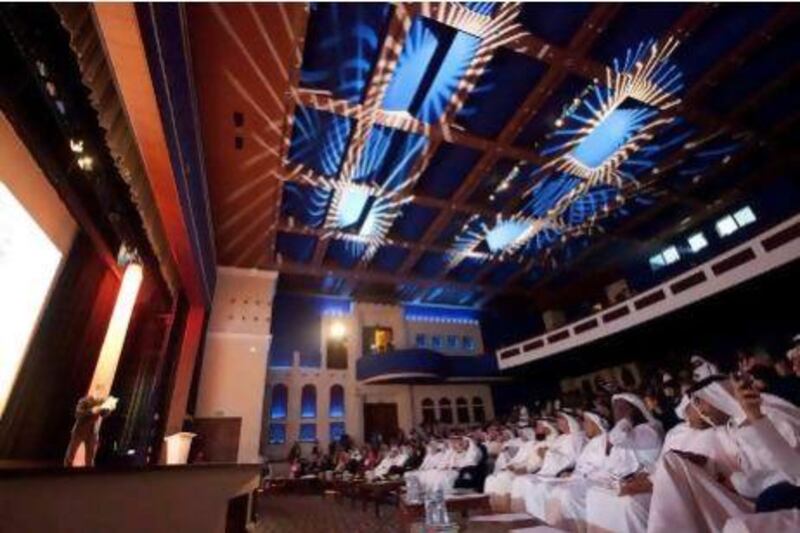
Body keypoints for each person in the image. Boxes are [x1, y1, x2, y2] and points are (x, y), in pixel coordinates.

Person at [647, 375, 800, 532]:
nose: (700, 411)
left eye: (700, 402)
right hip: (755, 495)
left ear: (716, 396)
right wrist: (710, 468)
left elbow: (790, 471)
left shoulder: (769, 413)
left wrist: (738, 482)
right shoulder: (732, 427)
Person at [582, 393, 664, 533]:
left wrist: (625, 419)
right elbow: (614, 462)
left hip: (649, 484)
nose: (617, 412)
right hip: (628, 480)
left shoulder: (649, 429)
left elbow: (618, 438)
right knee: (594, 495)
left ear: (633, 409)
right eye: (615, 408)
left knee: (624, 504)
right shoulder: (629, 430)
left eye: (621, 408)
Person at [516, 412, 586, 520]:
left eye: (561, 420)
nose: (558, 423)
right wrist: (547, 454)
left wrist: (547, 454)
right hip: (550, 469)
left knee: (540, 487)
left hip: (561, 473)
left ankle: (545, 520)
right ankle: (533, 517)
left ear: (570, 422)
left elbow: (571, 460)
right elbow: (553, 453)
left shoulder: (576, 438)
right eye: (558, 420)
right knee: (525, 480)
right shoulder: (561, 438)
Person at [64, 387, 116, 467]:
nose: (100, 395)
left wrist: (109, 409)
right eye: (99, 393)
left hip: (92, 432)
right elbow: (78, 414)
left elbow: (103, 415)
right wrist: (91, 411)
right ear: (95, 392)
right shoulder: (84, 400)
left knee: (90, 457)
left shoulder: (101, 403)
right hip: (79, 431)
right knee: (71, 454)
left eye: (102, 394)